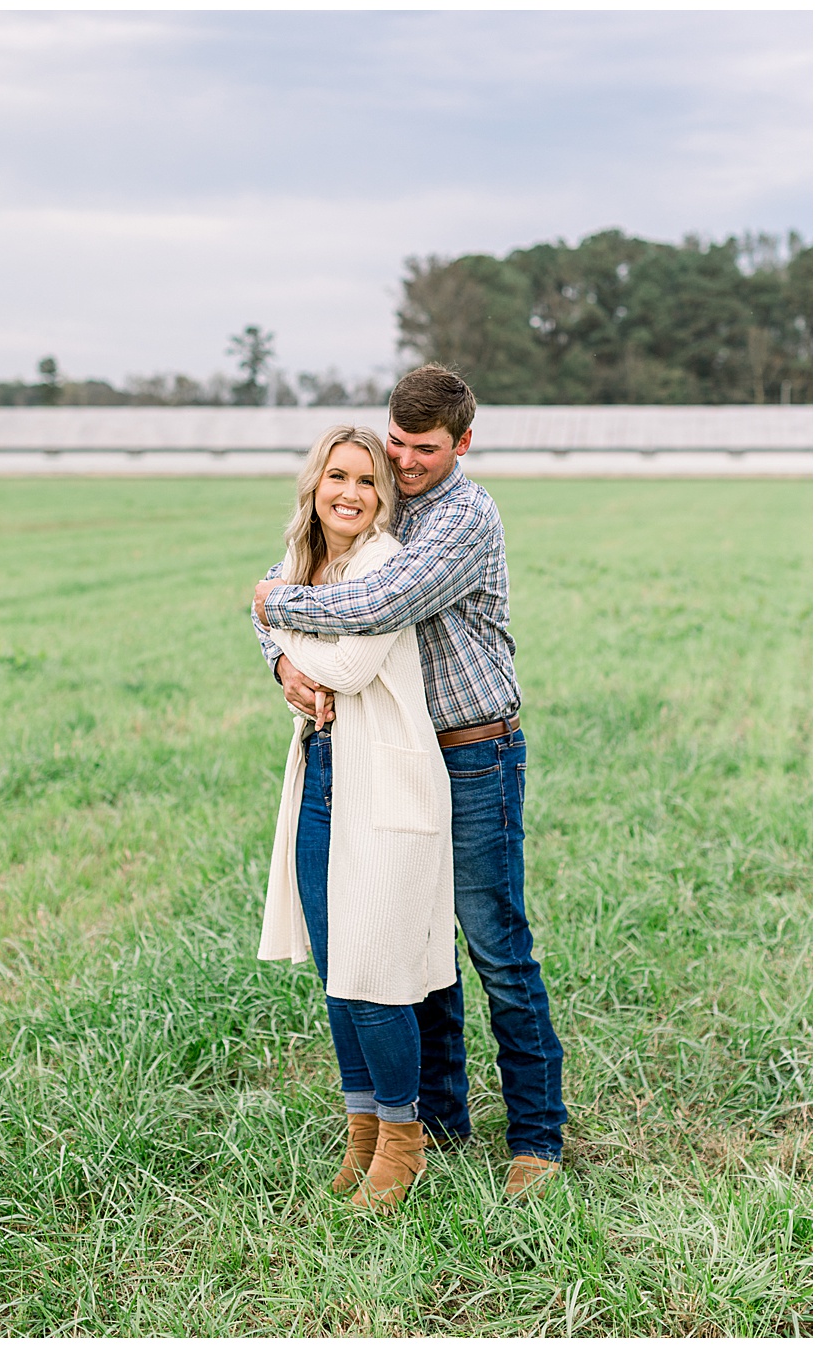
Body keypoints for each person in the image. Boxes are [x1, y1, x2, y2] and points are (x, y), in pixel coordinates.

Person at [253, 363, 566, 1199]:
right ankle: (438, 1121)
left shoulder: (462, 515)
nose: (405, 461)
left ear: (463, 443)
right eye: (396, 441)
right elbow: (307, 569)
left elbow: (371, 607)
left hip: (474, 751)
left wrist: (268, 607)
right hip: (390, 760)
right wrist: (278, 654)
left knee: (494, 948)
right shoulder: (379, 490)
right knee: (415, 948)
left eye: (423, 449)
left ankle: (537, 1137)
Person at [257, 424, 456, 1210]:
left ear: (383, 499)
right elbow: (273, 622)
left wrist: (281, 627)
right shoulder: (310, 566)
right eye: (336, 476)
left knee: (377, 979)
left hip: (387, 787)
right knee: (342, 977)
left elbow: (349, 664)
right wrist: (280, 644)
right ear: (314, 485)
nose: (350, 492)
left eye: (367, 481)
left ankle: (405, 1142)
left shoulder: (382, 563)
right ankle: (363, 1130)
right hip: (323, 781)